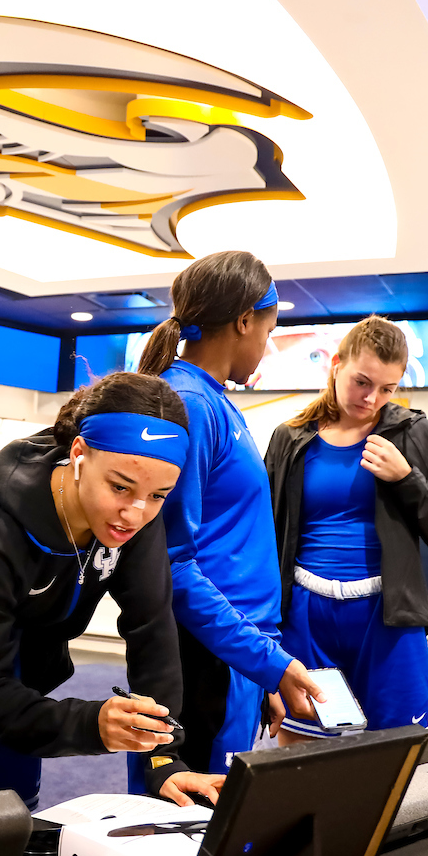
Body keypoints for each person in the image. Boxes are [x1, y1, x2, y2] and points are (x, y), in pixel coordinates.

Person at [0, 371, 225, 812]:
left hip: (12, 669)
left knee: (3, 822)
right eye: (120, 487)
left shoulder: (134, 520)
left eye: (159, 495)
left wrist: (163, 755)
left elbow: (152, 631)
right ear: (78, 455)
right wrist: (92, 724)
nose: (135, 513)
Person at [135, 251, 323, 778]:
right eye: (269, 329)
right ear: (244, 321)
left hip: (233, 654)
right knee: (182, 830)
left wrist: (261, 668)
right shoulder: (189, 402)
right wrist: (266, 663)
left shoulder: (214, 400)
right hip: (205, 653)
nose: (266, 344)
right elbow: (170, 561)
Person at [264, 316, 428, 740]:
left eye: (387, 388)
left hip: (388, 616)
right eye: (362, 381)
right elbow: (266, 536)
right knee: (300, 752)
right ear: (336, 364)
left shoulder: (415, 434)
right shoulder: (291, 438)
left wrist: (407, 479)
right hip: (306, 613)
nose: (371, 398)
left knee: (396, 750)